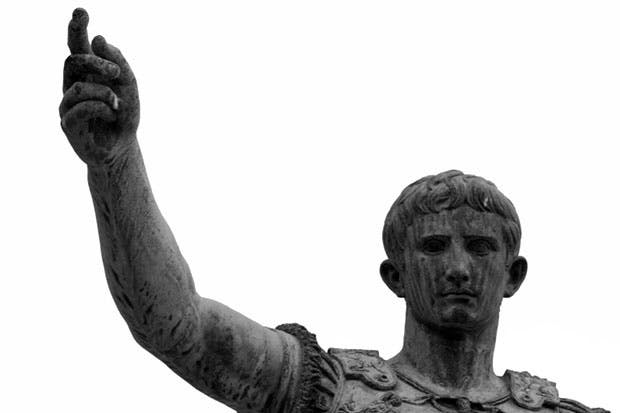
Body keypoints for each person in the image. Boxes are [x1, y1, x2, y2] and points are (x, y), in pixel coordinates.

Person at [59, 8, 607, 413]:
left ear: (514, 275)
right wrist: (116, 160)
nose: (458, 268)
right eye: (434, 247)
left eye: (481, 248)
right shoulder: (325, 390)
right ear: (394, 276)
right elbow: (177, 325)